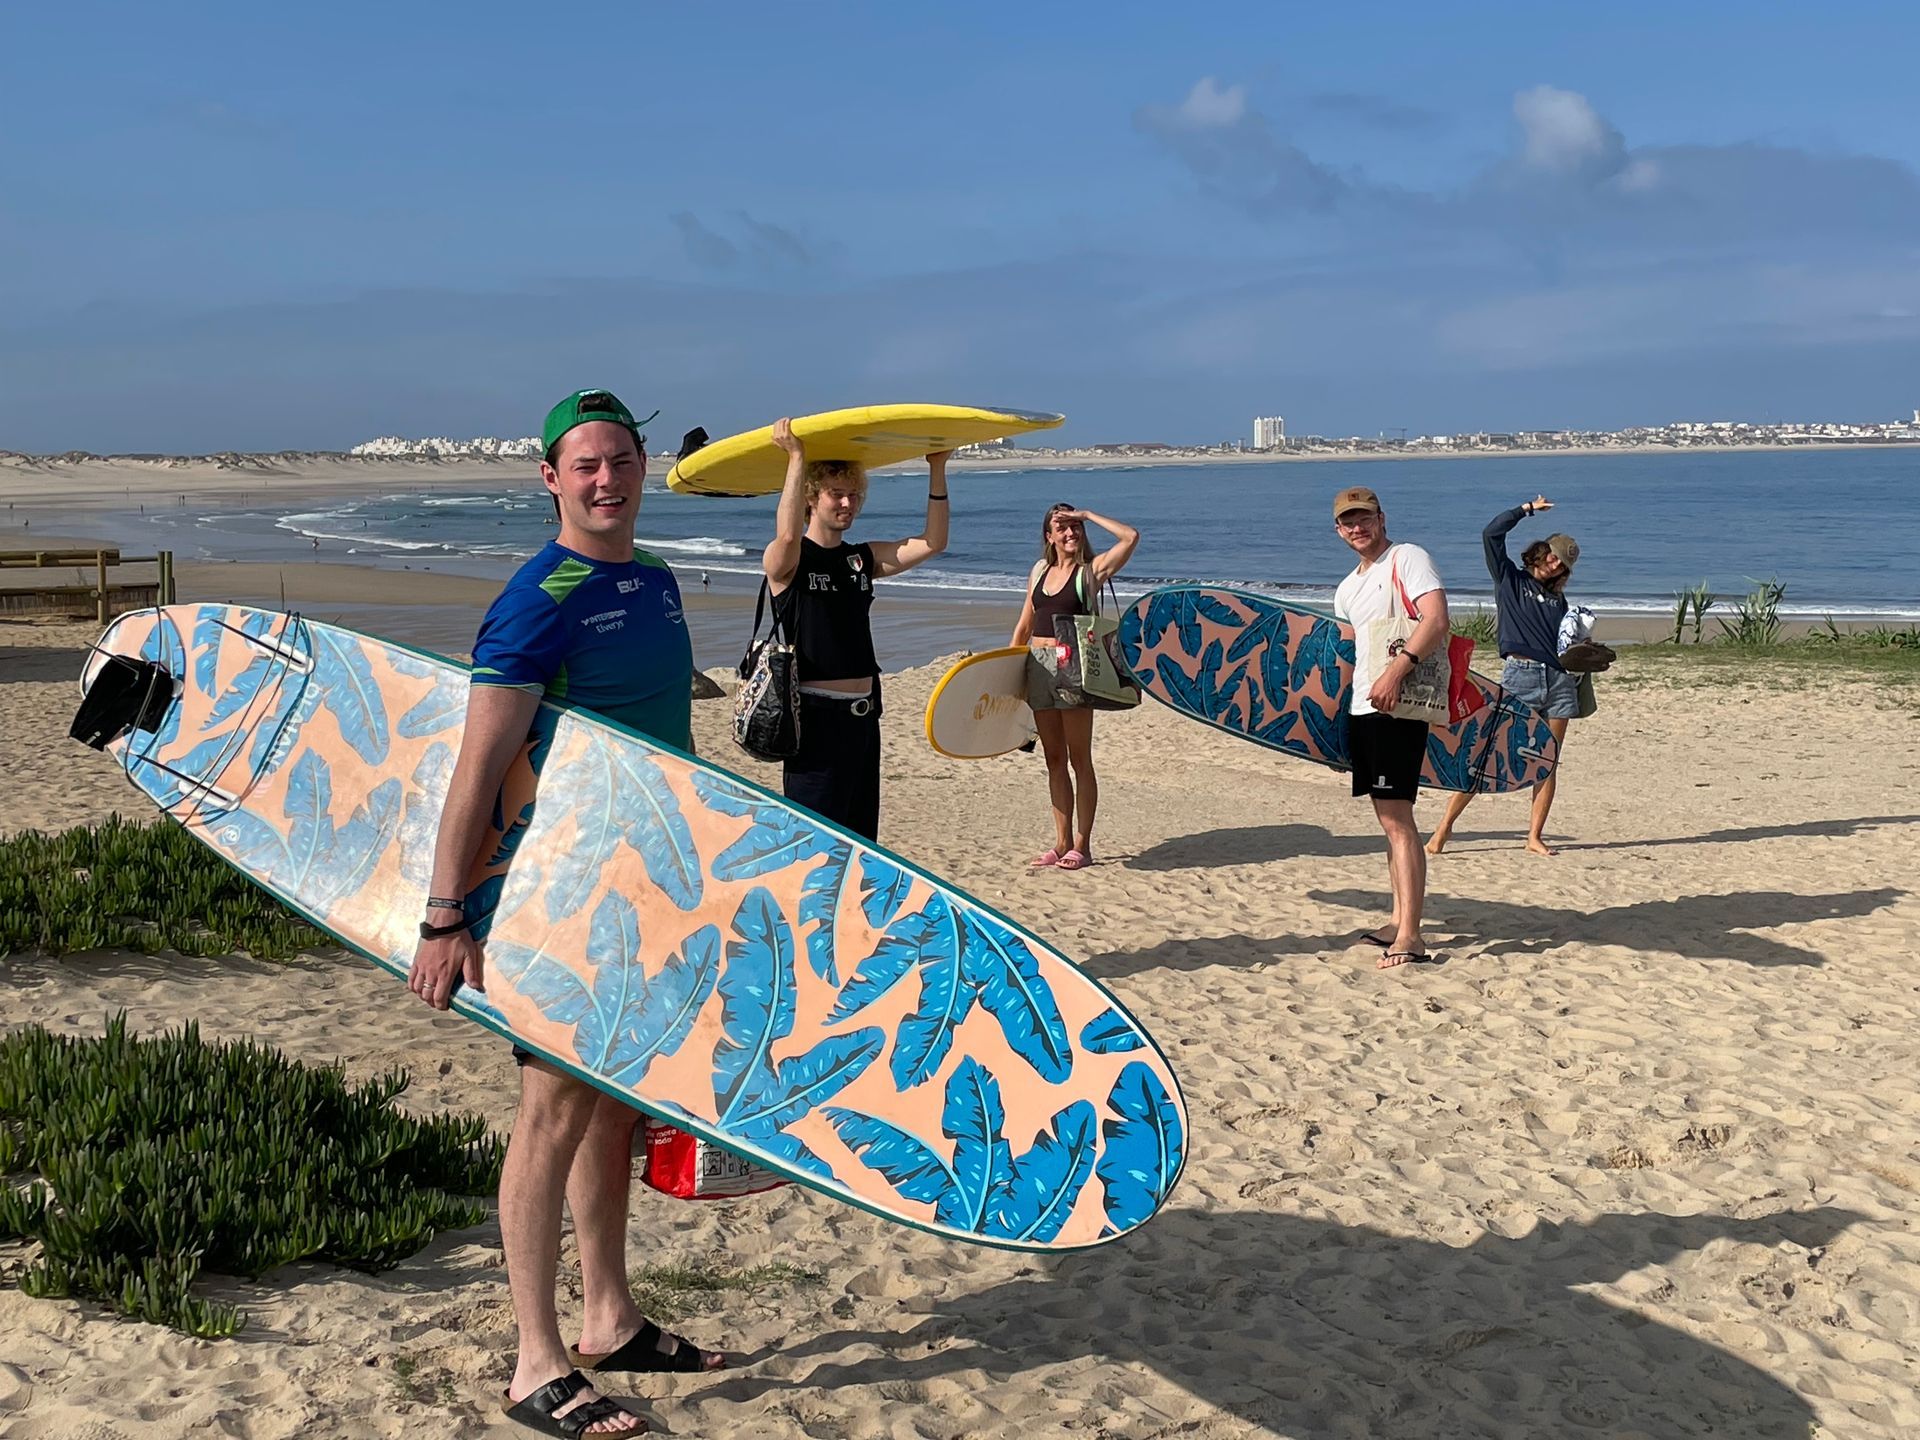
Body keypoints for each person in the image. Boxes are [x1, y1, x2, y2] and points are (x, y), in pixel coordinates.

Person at [409, 389, 721, 1439]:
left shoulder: (658, 581)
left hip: (643, 893)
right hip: (554, 897)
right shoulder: (537, 598)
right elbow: (476, 768)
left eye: (620, 460)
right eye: (584, 465)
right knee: (550, 1113)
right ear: (550, 479)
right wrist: (446, 917)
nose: (605, 479)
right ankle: (534, 1362)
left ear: (643, 469)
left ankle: (609, 1318)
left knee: (610, 1108)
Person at [763, 419, 949, 840]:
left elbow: (932, 542)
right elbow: (788, 533)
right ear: (812, 496)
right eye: (836, 494)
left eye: (854, 495)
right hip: (814, 721)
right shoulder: (787, 562)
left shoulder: (861, 559)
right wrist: (796, 458)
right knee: (816, 843)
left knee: (863, 841)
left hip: (864, 719)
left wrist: (937, 468)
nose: (847, 502)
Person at [1331, 485, 1450, 969]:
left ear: (1382, 519)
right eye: (1348, 521)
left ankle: (1412, 935)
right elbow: (1347, 656)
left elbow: (1436, 618)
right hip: (1364, 709)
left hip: (1397, 707)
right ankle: (1398, 917)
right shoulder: (1346, 588)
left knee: (1399, 820)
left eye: (1365, 518)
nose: (1358, 527)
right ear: (1338, 529)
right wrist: (1333, 719)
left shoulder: (1408, 557)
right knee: (1388, 820)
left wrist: (1397, 671)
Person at [1426, 496, 1579, 858]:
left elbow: (1564, 644)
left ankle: (1534, 836)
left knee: (1547, 760)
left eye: (1562, 563)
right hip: (1520, 676)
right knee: (1485, 752)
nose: (1554, 564)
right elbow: (1491, 534)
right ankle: (1443, 829)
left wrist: (1583, 651)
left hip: (1559, 681)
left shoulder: (1560, 603)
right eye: (1552, 555)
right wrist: (1525, 509)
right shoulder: (1510, 579)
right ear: (1542, 552)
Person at [1008, 503, 1140, 870]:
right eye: (1061, 527)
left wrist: (1089, 515)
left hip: (1074, 667)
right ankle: (1060, 841)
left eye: (1074, 527)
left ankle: (1082, 845)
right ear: (1048, 536)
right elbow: (1024, 625)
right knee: (1053, 760)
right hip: (1037, 665)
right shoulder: (1039, 571)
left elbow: (1130, 537)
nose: (1070, 533)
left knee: (1080, 759)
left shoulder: (1090, 572)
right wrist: (1007, 670)